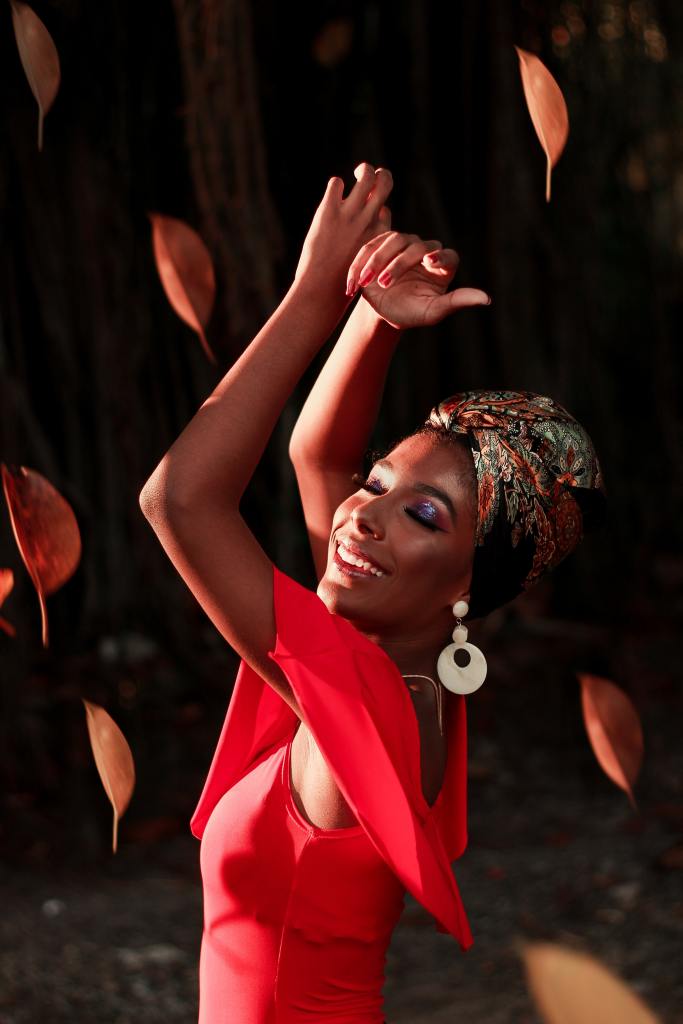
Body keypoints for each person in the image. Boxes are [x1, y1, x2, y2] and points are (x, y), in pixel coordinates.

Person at [139, 163, 606, 1023]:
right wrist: (373, 320)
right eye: (380, 480)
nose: (363, 517)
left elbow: (179, 500)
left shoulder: (363, 695)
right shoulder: (391, 662)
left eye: (422, 515)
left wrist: (315, 292)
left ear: (469, 581)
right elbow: (318, 461)